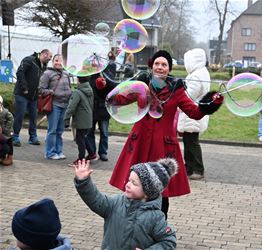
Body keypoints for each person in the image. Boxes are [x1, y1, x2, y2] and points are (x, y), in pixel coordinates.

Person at [108, 50, 223, 219]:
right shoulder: (142, 85)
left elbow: (194, 112)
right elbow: (120, 99)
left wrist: (211, 103)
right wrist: (103, 86)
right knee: (135, 185)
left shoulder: (176, 90)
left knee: (162, 192)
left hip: (163, 147)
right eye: (157, 64)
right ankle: (132, 222)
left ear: (169, 69)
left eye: (164, 65)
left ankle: (159, 225)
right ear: (151, 65)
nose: (160, 67)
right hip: (139, 143)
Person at [73, 158, 177, 249]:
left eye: (134, 183)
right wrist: (83, 182)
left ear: (147, 192)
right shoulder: (116, 203)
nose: (127, 185)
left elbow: (169, 241)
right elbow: (96, 200)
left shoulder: (155, 218)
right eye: (129, 180)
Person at [177, 48, 211, 180]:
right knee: (188, 141)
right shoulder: (200, 72)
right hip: (192, 113)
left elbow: (189, 95)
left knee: (192, 142)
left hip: (192, 113)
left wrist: (178, 91)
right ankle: (189, 167)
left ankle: (198, 169)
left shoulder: (197, 75)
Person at [13, 49, 53, 147]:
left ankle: (33, 137)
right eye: (50, 57)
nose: (50, 59)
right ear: (44, 54)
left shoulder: (44, 66)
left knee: (33, 117)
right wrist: (24, 87)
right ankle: (15, 136)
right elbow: (20, 72)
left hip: (34, 96)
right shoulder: (29, 60)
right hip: (22, 94)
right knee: (20, 115)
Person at [39, 54, 72, 160]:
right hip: (54, 105)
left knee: (60, 130)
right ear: (52, 61)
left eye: (60, 60)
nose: (58, 62)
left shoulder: (66, 74)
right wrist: (50, 92)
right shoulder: (47, 74)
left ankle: (59, 151)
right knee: (52, 130)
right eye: (56, 60)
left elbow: (69, 87)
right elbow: (40, 89)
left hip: (65, 105)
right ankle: (50, 152)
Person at [85, 52, 117, 161]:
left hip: (103, 108)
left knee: (104, 132)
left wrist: (105, 83)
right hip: (92, 108)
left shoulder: (107, 73)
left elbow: (114, 87)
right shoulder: (89, 75)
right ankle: (92, 152)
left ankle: (103, 152)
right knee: (90, 132)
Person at [63, 76, 94, 167]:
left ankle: (81, 159)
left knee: (79, 139)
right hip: (88, 118)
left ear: (78, 80)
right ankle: (92, 154)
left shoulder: (77, 92)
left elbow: (71, 107)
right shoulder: (90, 90)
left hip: (81, 119)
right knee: (83, 137)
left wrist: (66, 119)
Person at [0, 95, 14, 166]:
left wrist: (6, 128)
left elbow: (11, 119)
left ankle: (10, 157)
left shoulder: (5, 112)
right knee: (2, 143)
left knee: (9, 142)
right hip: (1, 132)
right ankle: (2, 157)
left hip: (8, 131)